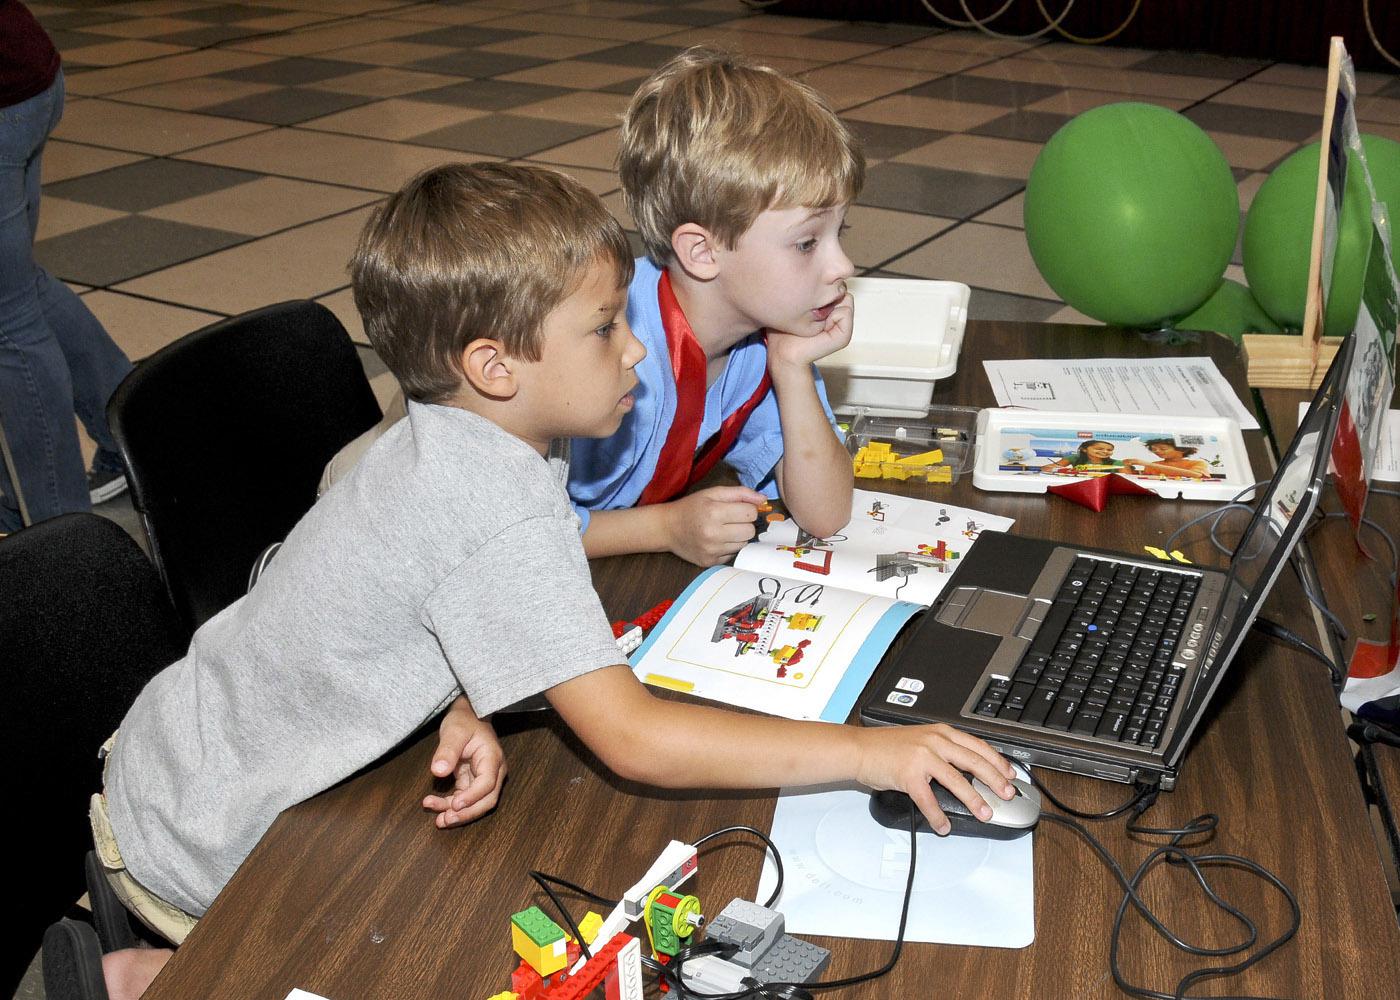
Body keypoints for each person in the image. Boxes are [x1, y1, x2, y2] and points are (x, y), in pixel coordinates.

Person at [62, 163, 1014, 1000]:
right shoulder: (492, 496)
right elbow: (633, 739)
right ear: (493, 365)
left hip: (182, 745)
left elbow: (427, 583)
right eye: (605, 329)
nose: (636, 347)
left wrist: (470, 694)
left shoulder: (473, 442)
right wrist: (868, 755)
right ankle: (150, 978)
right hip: (208, 835)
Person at [319, 48, 858, 570]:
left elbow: (825, 513)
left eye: (840, 234)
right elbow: (494, 529)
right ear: (702, 251)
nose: (843, 266)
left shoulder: (761, 343)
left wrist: (792, 368)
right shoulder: (591, 347)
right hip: (381, 523)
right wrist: (664, 528)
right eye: (808, 243)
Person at [0, 0, 132, 534]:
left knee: (6, 325)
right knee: (17, 291)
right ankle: (137, 442)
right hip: (26, 70)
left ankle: (59, 537)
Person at [1121, 438, 1211, 479]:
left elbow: (1196, 475)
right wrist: (1124, 466)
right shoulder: (1154, 464)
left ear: (1182, 449)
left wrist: (1148, 464)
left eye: (1163, 448)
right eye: (1154, 450)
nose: (1157, 451)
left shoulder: (1198, 463)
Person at [1042, 439, 1122, 475]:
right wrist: (1066, 469)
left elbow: (1128, 477)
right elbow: (1045, 468)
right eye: (1099, 449)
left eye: (1109, 450)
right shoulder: (1074, 458)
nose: (1105, 452)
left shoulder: (1117, 463)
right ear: (1084, 449)